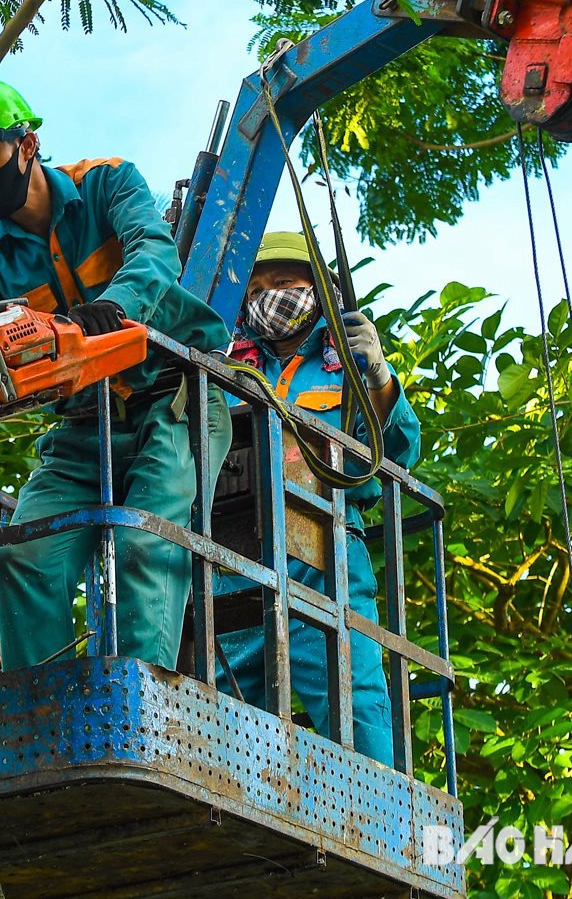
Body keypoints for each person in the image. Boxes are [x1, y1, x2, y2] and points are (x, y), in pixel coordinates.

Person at [0, 76, 234, 672]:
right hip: (83, 422)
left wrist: (115, 307)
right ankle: (45, 714)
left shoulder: (108, 182)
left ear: (26, 144)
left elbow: (155, 254)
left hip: (175, 396)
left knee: (143, 542)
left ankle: (145, 711)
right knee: (22, 558)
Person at [215, 230, 422, 767]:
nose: (270, 297)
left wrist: (376, 374)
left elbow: (398, 449)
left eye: (284, 283)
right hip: (235, 550)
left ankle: (384, 819)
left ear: (321, 290)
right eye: (256, 287)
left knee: (351, 693)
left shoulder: (343, 364)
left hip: (323, 550)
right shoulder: (228, 364)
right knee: (223, 698)